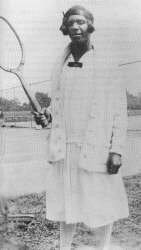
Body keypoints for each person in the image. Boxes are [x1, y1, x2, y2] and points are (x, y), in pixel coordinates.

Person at [34, 5, 129, 250]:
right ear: (64, 28)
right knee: (67, 204)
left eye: (81, 22)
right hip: (65, 148)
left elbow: (119, 110)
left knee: (102, 204)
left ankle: (104, 247)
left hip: (96, 146)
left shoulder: (106, 62)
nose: (76, 27)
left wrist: (116, 150)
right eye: (71, 23)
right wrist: (47, 117)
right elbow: (58, 105)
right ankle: (64, 247)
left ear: (90, 26)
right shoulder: (60, 63)